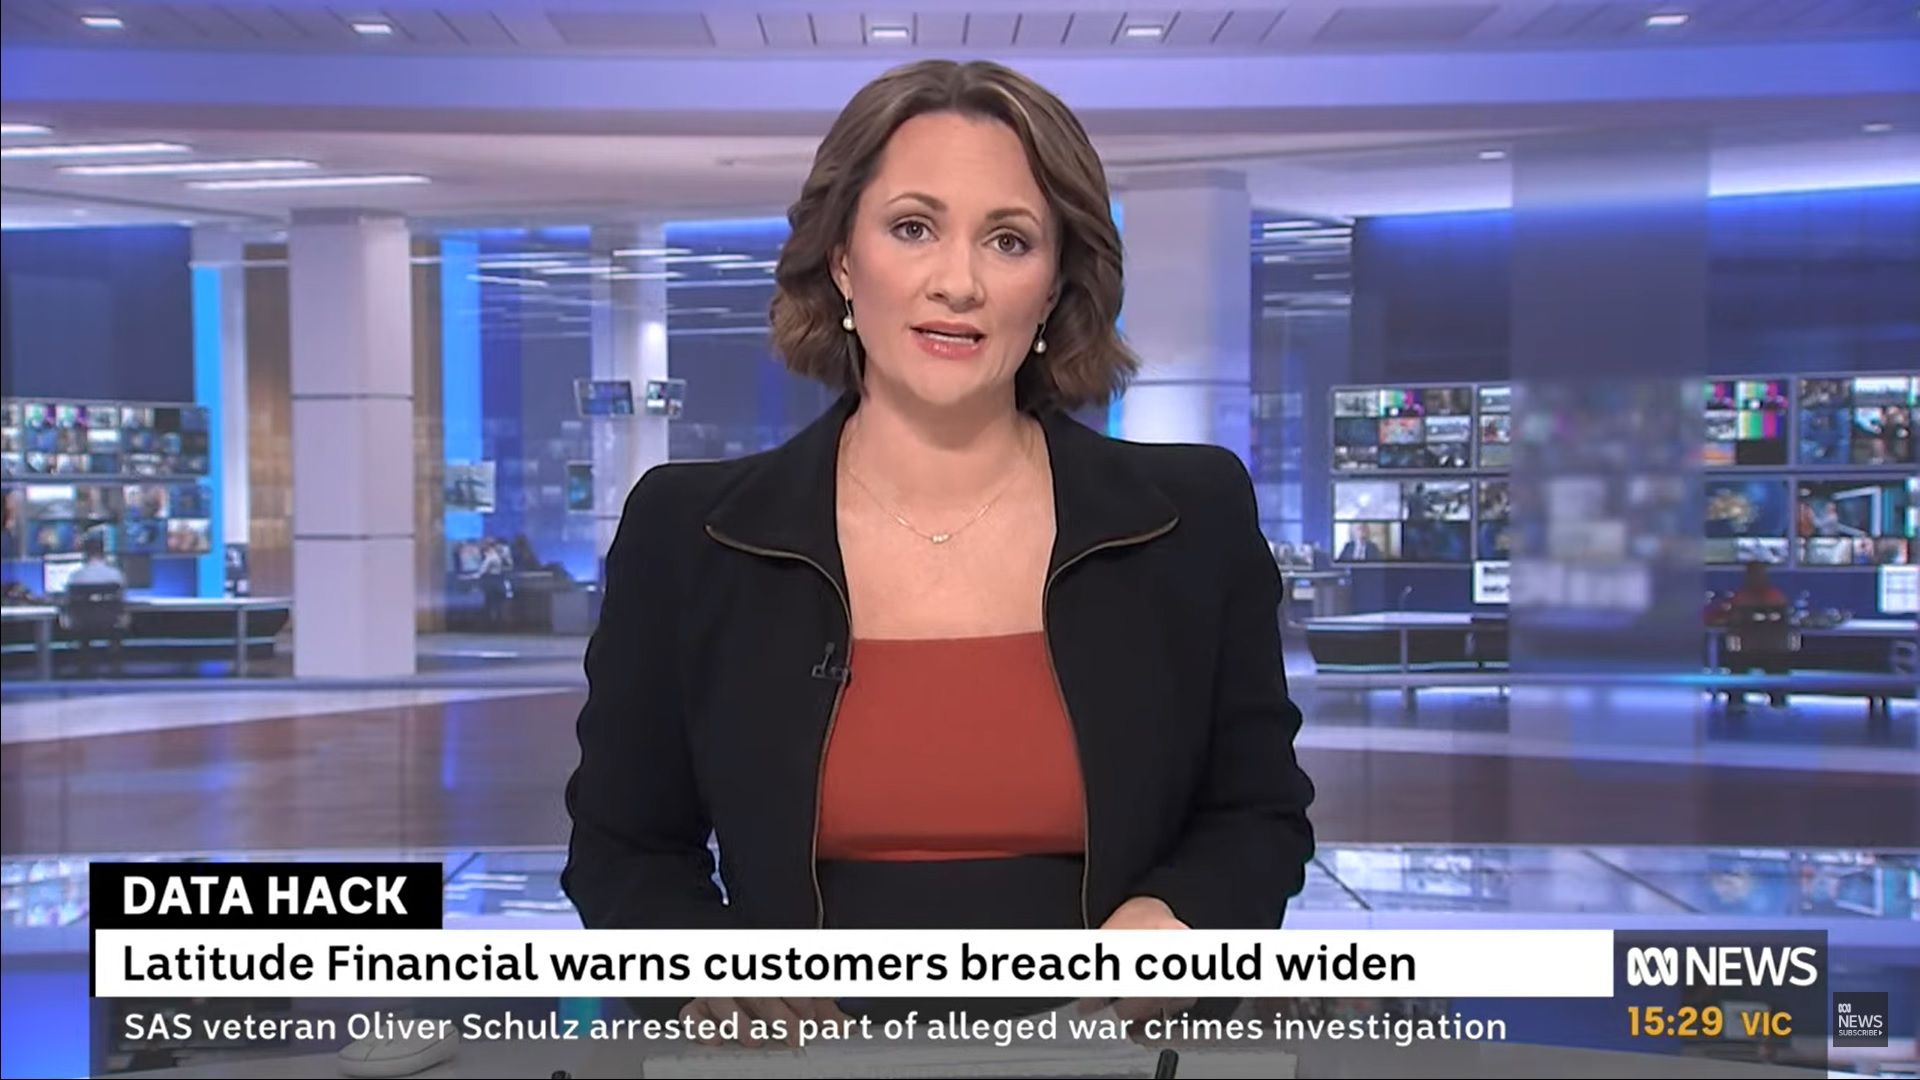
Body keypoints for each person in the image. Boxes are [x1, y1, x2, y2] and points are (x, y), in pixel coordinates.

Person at [562, 59, 1315, 1037]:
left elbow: (1258, 814)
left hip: (1109, 1053)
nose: (958, 282)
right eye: (913, 227)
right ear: (842, 258)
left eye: (1009, 240)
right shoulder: (690, 532)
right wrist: (705, 971)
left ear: (1055, 283)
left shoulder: (1191, 517)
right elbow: (623, 850)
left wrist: (1180, 921)